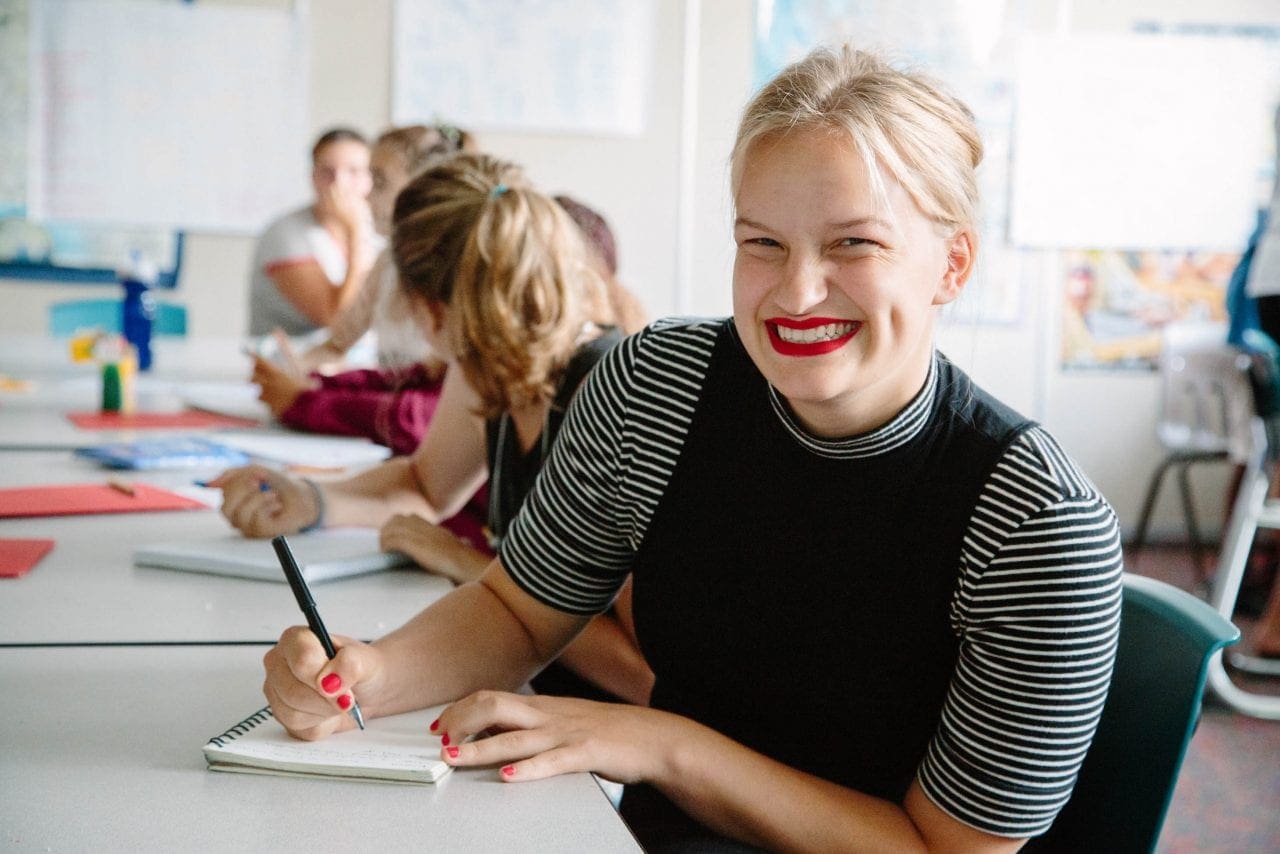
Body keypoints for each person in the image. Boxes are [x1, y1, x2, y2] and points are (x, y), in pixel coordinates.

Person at [254, 47, 1124, 851]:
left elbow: (950, 850)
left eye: (854, 242)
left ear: (953, 266)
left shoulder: (1037, 520)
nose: (798, 290)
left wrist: (666, 746)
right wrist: (366, 676)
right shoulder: (658, 385)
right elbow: (519, 612)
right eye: (762, 243)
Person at [212, 152, 652, 707]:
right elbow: (426, 486)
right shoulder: (491, 362)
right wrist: (312, 503)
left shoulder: (612, 393)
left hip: (603, 748)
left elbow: (644, 674)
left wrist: (475, 569)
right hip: (531, 695)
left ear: (432, 311)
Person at [251, 124, 477, 455]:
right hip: (388, 441)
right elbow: (344, 342)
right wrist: (304, 381)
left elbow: (426, 408)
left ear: (426, 188)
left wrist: (308, 401)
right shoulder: (389, 259)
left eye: (379, 181)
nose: (365, 193)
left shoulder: (461, 272)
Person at [247, 127, 381, 337]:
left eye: (354, 171)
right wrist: (356, 231)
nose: (339, 183)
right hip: (287, 364)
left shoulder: (380, 234)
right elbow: (335, 319)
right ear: (313, 176)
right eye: (328, 171)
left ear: (370, 179)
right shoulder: (285, 235)